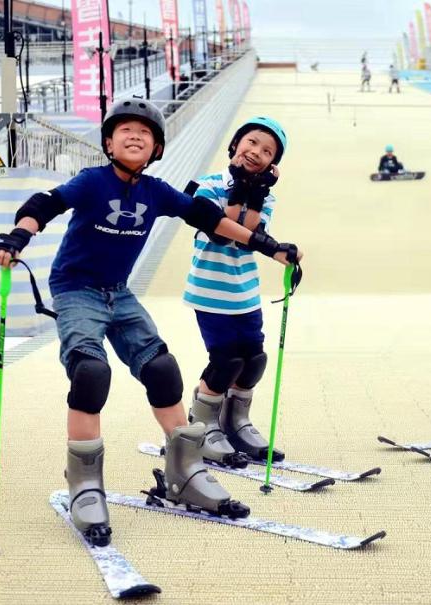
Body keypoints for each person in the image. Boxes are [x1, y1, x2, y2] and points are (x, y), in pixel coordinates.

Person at [0, 98, 302, 546]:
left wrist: (270, 245)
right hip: (76, 289)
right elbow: (47, 202)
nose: (135, 136)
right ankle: (85, 486)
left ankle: (185, 471)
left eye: (145, 133)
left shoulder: (156, 192)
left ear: (156, 148)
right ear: (109, 142)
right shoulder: (92, 182)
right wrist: (21, 233)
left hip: (119, 291)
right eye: (125, 131)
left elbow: (211, 219)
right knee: (91, 372)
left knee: (162, 369)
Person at [182, 117, 299, 467]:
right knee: (226, 361)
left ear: (273, 163)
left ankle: (236, 424)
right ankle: (204, 427)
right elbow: (223, 230)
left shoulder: (267, 196)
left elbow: (249, 232)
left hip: (244, 289)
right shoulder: (209, 184)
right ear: (235, 144)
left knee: (253, 360)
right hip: (210, 290)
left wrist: (256, 190)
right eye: (251, 143)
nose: (256, 152)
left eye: (267, 151)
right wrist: (239, 188)